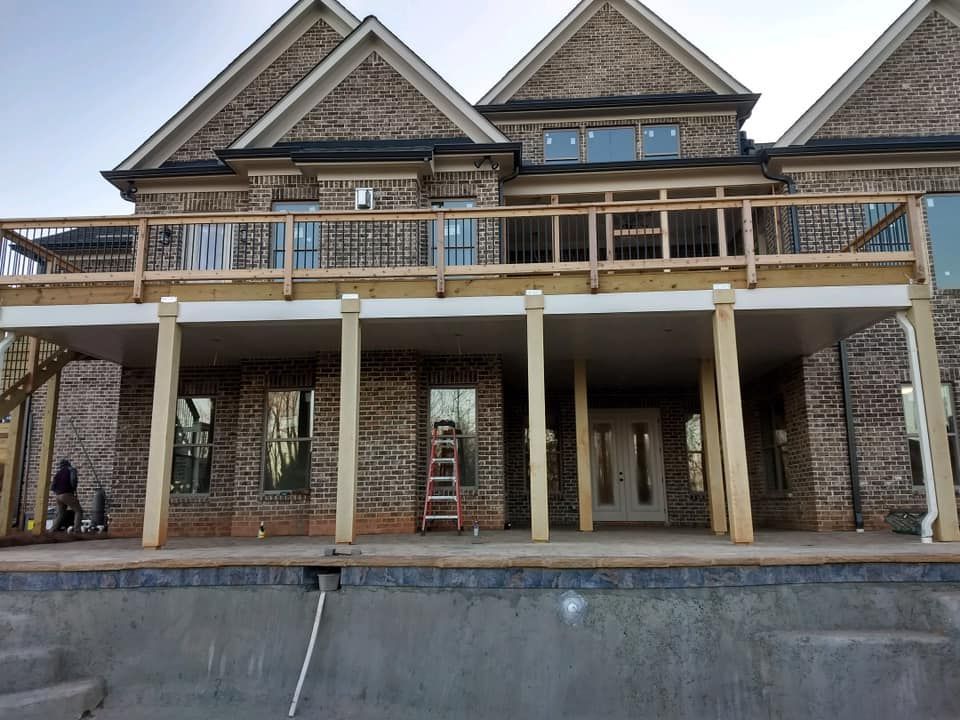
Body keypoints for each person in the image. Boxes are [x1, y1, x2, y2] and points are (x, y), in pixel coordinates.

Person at [52, 458, 83, 532]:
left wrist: (57, 492)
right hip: (66, 493)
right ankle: (77, 530)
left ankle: (52, 530)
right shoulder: (71, 470)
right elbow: (73, 480)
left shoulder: (58, 473)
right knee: (78, 511)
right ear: (68, 464)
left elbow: (52, 486)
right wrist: (73, 489)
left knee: (60, 513)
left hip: (58, 495)